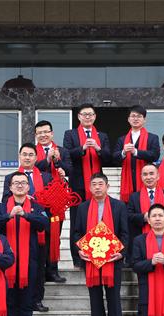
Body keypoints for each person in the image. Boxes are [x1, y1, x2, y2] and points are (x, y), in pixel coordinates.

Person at [73, 172, 128, 316]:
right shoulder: (83, 208)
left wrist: (121, 253)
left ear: (107, 186)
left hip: (113, 259)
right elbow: (76, 232)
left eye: (100, 184)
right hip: (91, 261)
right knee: (95, 299)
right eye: (94, 184)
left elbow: (125, 233)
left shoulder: (119, 206)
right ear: (89, 188)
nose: (97, 187)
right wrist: (80, 250)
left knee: (114, 298)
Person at [0, 171, 49, 316]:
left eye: (23, 183)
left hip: (30, 260)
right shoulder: (1, 207)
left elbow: (44, 224)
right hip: (7, 261)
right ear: (10, 187)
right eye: (16, 183)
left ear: (28, 187)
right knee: (9, 299)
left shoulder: (36, 206)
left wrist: (26, 215)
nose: (19, 185)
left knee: (27, 299)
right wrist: (9, 215)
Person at [2, 143, 53, 312]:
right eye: (24, 154)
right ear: (19, 157)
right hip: (16, 227)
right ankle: (15, 300)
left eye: (31, 154)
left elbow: (51, 199)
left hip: (37, 226)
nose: (27, 157)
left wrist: (35, 204)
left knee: (38, 268)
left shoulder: (46, 177)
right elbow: (5, 199)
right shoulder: (10, 177)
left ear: (36, 157)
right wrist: (23, 198)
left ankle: (37, 300)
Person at [63, 103, 111, 268]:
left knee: (99, 218)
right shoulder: (70, 134)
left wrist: (98, 149)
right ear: (79, 117)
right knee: (77, 220)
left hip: (97, 184)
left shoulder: (102, 136)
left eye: (90, 114)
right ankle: (78, 257)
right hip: (78, 184)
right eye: (84, 114)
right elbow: (67, 154)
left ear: (95, 117)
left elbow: (109, 158)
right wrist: (82, 148)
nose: (88, 117)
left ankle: (98, 253)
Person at [34, 120, 71, 285]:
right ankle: (40, 271)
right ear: (36, 135)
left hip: (57, 201)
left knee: (54, 236)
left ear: (52, 133)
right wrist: (47, 160)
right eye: (40, 133)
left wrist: (60, 166)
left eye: (46, 132)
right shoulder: (32, 151)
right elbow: (32, 168)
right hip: (38, 200)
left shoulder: (62, 151)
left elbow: (70, 168)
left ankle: (52, 270)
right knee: (39, 237)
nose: (43, 135)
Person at [126, 163, 164, 264]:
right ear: (141, 177)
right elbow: (129, 215)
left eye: (151, 174)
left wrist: (159, 217)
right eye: (145, 174)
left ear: (158, 176)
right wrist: (144, 217)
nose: (148, 177)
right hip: (141, 237)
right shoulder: (134, 196)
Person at [114, 105, 160, 203]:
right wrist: (123, 152)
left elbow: (155, 155)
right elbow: (114, 158)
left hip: (147, 179)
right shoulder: (122, 139)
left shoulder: (153, 137)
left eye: (139, 116)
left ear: (144, 120)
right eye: (133, 116)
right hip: (128, 179)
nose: (136, 119)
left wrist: (136, 152)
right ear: (128, 119)